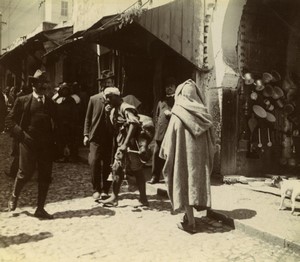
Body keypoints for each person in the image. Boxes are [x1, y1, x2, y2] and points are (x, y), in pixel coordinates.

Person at [159, 79, 215, 233]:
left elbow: (169, 140)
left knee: (183, 184)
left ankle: (191, 223)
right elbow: (213, 142)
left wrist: (164, 152)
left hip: (182, 159)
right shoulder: (205, 116)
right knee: (194, 186)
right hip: (199, 161)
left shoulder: (177, 115)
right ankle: (188, 218)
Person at [5, 69, 57, 219]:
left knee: (45, 175)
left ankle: (40, 208)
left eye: (44, 84)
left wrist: (60, 143)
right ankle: (14, 196)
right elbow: (9, 120)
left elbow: (57, 123)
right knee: (24, 173)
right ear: (33, 85)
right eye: (39, 83)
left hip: (46, 145)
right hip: (28, 142)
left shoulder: (51, 103)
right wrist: (22, 135)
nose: (42, 87)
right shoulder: (23, 100)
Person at [100, 87, 149, 207]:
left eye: (109, 97)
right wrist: (107, 114)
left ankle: (143, 199)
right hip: (121, 143)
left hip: (130, 145)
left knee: (137, 170)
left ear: (117, 96)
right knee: (117, 168)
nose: (107, 100)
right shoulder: (114, 109)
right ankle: (114, 197)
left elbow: (133, 123)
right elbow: (112, 128)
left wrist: (125, 144)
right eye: (106, 97)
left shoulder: (126, 108)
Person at [83, 70, 114, 200]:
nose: (108, 85)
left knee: (108, 164)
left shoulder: (116, 99)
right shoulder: (94, 99)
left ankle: (106, 189)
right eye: (106, 83)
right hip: (95, 137)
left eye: (110, 82)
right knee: (94, 162)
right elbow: (88, 118)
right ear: (101, 85)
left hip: (110, 137)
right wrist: (86, 134)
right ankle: (96, 189)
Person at [148, 77, 176, 184]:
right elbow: (156, 116)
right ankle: (155, 177)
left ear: (175, 88)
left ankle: (171, 178)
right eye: (167, 86)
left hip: (172, 132)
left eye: (171, 86)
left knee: (171, 154)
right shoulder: (161, 101)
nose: (169, 88)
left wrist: (172, 113)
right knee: (156, 154)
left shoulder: (178, 100)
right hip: (160, 132)